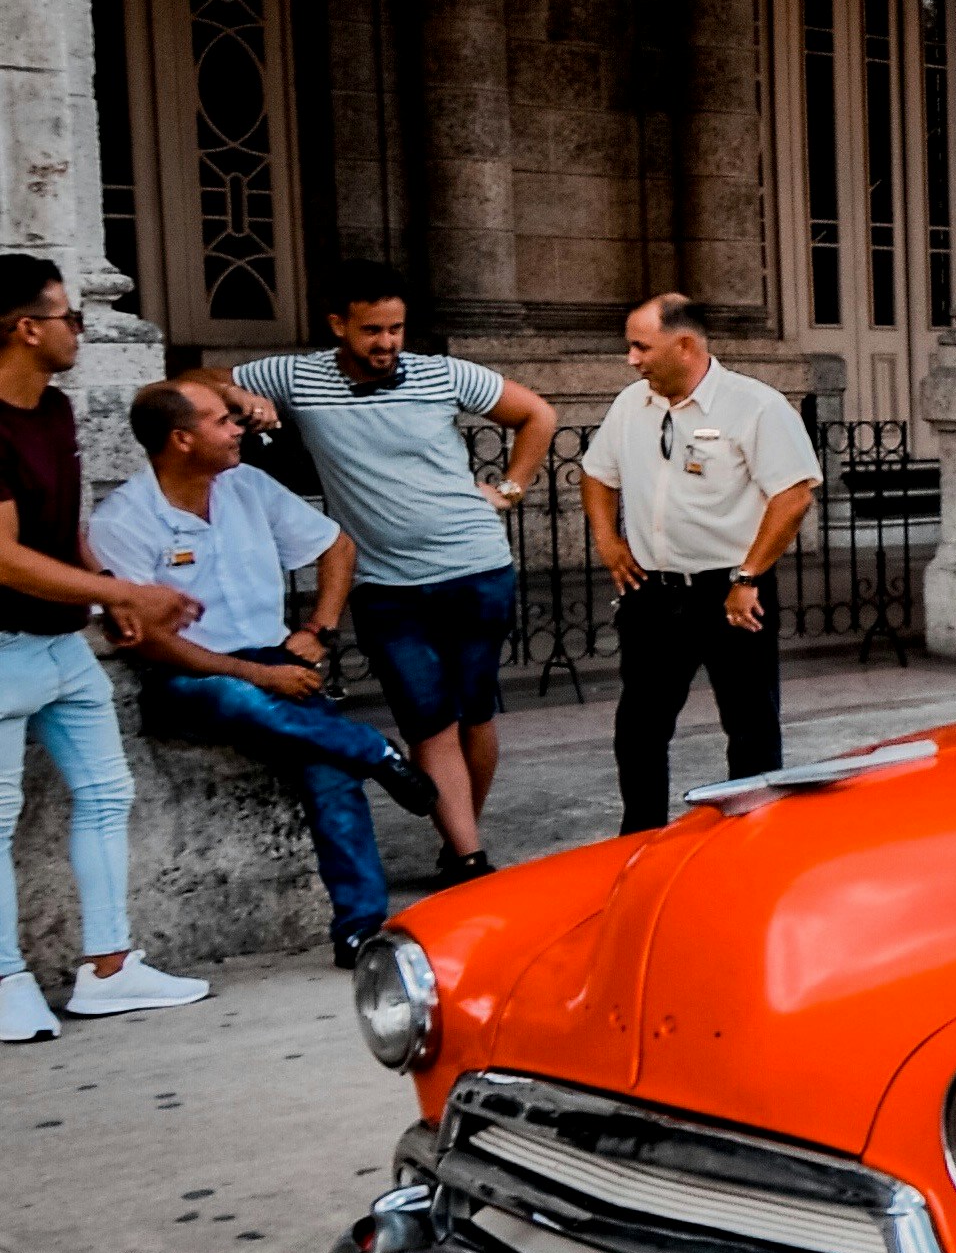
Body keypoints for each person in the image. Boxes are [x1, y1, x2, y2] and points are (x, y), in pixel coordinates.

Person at [226, 271, 556, 881]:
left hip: (476, 569)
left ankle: (461, 840)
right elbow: (197, 384)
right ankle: (467, 855)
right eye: (372, 330)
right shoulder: (297, 377)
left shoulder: (441, 373)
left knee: (475, 713)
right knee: (427, 718)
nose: (386, 342)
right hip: (381, 584)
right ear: (338, 327)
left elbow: (537, 413)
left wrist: (509, 490)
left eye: (395, 329)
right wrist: (245, 402)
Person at [92, 377, 427, 967]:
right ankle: (375, 749)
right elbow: (151, 643)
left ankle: (360, 928)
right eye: (222, 421)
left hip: (275, 659)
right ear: (182, 439)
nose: (237, 428)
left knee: (330, 771)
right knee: (237, 698)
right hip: (189, 676)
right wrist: (259, 676)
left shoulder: (246, 484)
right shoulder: (124, 521)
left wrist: (317, 630)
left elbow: (337, 546)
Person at [0, 258, 209, 1042]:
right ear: (27, 327)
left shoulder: (53, 409)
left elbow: (63, 527)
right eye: (69, 317)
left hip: (59, 646)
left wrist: (102, 584)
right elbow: (4, 554)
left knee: (107, 793)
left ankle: (109, 968)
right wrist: (125, 594)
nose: (79, 329)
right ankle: (5, 980)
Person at [580, 295, 821, 836]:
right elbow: (596, 473)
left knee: (750, 726)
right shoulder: (631, 405)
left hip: (732, 593)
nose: (632, 359)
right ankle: (639, 836)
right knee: (639, 726)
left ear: (684, 345)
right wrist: (607, 539)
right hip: (652, 592)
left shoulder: (754, 406)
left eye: (642, 346)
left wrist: (748, 577)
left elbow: (793, 496)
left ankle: (751, 839)